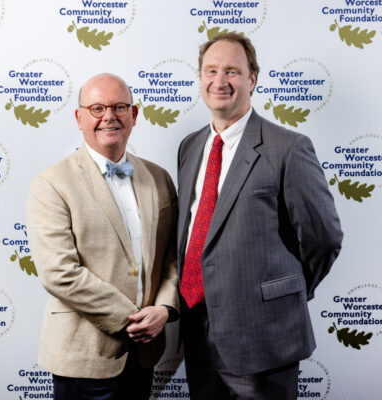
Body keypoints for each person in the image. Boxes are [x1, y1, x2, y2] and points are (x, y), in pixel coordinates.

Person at [177, 33, 343, 400]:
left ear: (252, 78)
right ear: (200, 78)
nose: (220, 81)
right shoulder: (190, 147)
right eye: (211, 71)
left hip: (264, 335)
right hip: (198, 331)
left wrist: (284, 294)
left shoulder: (288, 148)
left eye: (232, 71)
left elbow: (323, 238)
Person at [27, 73, 179, 400]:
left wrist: (165, 308)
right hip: (83, 358)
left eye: (119, 107)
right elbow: (59, 272)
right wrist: (132, 318)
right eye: (97, 108)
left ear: (134, 115)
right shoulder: (51, 184)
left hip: (145, 353)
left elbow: (172, 256)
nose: (109, 116)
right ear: (79, 118)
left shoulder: (159, 178)